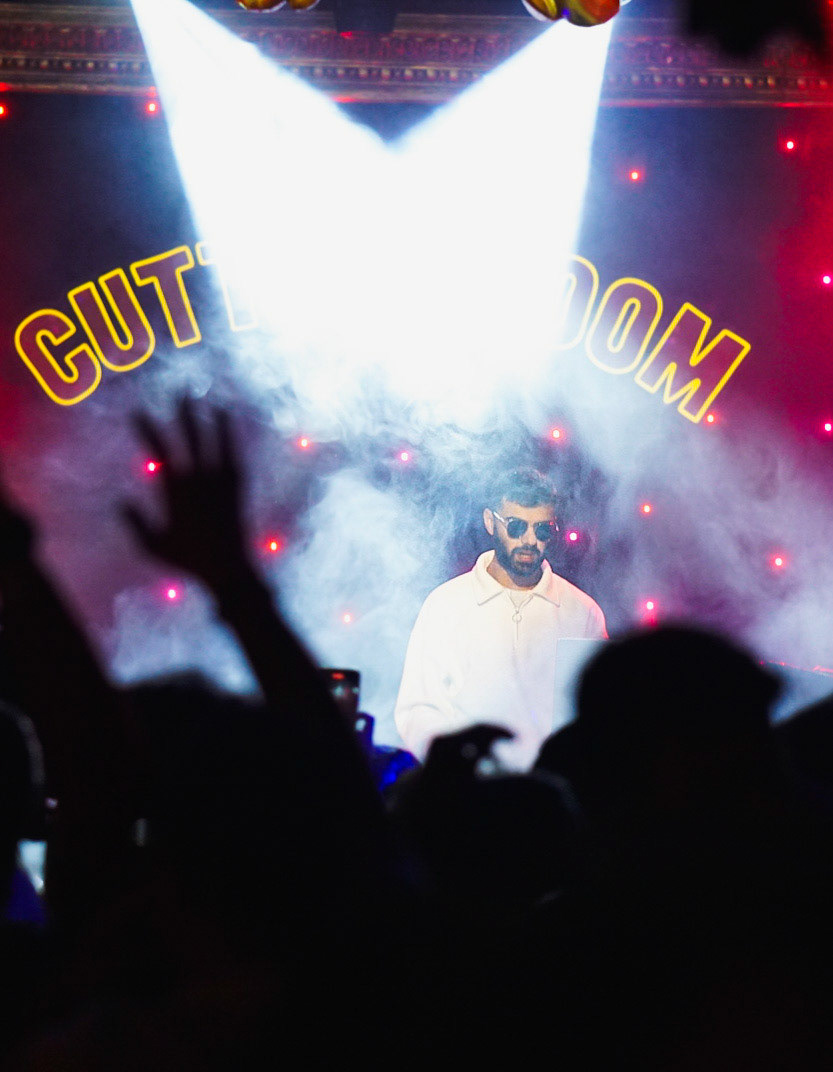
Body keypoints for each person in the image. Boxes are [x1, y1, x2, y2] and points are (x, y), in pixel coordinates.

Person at [394, 468, 607, 769]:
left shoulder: (582, 612)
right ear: (490, 522)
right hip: (467, 787)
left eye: (543, 530)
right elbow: (418, 710)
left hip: (549, 788)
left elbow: (598, 713)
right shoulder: (445, 605)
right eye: (516, 526)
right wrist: (457, 768)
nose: (530, 540)